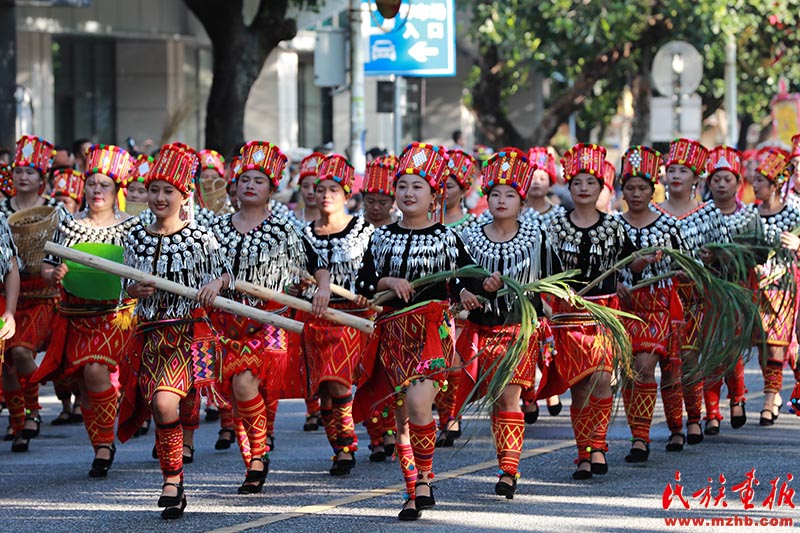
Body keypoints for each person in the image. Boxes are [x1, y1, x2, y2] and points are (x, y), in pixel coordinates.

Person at [355, 142, 497, 520]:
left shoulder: (448, 237)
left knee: (419, 404)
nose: (408, 193)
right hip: (393, 334)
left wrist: (476, 290)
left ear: (434, 194)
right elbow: (364, 283)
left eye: (417, 186)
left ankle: (424, 477)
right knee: (402, 415)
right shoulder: (381, 237)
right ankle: (414, 487)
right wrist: (389, 280)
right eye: (402, 186)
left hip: (432, 331)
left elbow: (466, 279)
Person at [118, 142, 232, 519]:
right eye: (154, 190)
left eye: (169, 191)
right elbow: (124, 286)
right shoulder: (134, 235)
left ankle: (170, 479)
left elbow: (225, 273)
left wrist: (215, 286)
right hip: (150, 335)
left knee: (166, 402)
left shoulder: (201, 237)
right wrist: (133, 290)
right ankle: (176, 478)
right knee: (160, 405)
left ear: (185, 196)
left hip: (187, 333)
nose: (160, 197)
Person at [209, 140, 330, 493]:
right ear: (234, 185)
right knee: (241, 389)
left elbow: (318, 266)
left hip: (271, 320)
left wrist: (321, 289)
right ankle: (257, 456)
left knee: (257, 388)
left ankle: (259, 452)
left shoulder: (285, 228)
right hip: (227, 322)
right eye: (244, 179)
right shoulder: (216, 229)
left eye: (258, 181)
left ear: (272, 189)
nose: (250, 185)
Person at [35, 144, 138, 477]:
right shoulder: (67, 224)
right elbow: (47, 267)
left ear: (116, 190)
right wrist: (54, 274)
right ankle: (100, 446)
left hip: (115, 315)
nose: (97, 190)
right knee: (84, 384)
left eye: (104, 184)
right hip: (75, 315)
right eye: (91, 183)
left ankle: (106, 443)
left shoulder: (132, 227)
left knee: (95, 371)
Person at [458, 147, 550, 498]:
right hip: (479, 329)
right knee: (495, 398)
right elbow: (457, 280)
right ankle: (505, 461)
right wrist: (470, 292)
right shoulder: (469, 236)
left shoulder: (537, 237)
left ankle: (509, 469)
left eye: (509, 194)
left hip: (518, 328)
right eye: (495, 193)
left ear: (521, 201)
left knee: (509, 396)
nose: (501, 200)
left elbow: (552, 281)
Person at [537, 143, 627, 480]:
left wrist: (650, 260)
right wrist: (558, 292)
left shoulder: (615, 227)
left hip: (604, 313)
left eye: (591, 182)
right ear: (569, 187)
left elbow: (630, 263)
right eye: (578, 183)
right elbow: (543, 270)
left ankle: (599, 445)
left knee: (602, 377)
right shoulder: (554, 227)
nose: (584, 188)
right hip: (568, 314)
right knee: (579, 386)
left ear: (602, 187)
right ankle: (583, 453)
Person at [300, 153, 374, 476]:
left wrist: (368, 290)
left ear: (347, 194)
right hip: (315, 319)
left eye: (334, 189)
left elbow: (376, 269)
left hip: (352, 317)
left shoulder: (364, 229)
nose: (326, 195)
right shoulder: (303, 235)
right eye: (321, 189)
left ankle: (346, 446)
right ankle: (339, 448)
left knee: (338, 380)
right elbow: (295, 273)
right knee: (325, 389)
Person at [652, 138, 729, 451]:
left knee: (689, 357)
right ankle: (674, 427)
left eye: (683, 170)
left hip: (696, 295)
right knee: (669, 363)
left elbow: (725, 255)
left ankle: (694, 417)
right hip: (661, 295)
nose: (676, 175)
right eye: (672, 169)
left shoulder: (709, 213)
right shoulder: (653, 213)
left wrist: (711, 259)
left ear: (696, 178)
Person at [615, 145, 684, 463]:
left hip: (658, 305)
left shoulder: (668, 225)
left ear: (652, 189)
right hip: (623, 307)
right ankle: (639, 435)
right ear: (622, 189)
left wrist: (662, 266)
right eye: (630, 187)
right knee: (630, 372)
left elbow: (686, 265)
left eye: (642, 187)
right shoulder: (613, 226)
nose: (636, 193)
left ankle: (662, 431)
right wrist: (621, 278)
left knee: (647, 367)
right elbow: (605, 267)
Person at [1, 135, 59, 453]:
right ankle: (19, 421)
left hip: (41, 294)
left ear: (42, 178)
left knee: (22, 352)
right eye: (19, 171)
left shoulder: (56, 212)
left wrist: (55, 270)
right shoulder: (0, 211)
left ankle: (34, 411)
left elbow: (63, 255)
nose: (23, 177)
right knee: (6, 362)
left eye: (30, 172)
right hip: (8, 293)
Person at [702, 145, 761, 435]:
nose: (722, 184)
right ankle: (711, 412)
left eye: (728, 179)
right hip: (707, 292)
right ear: (708, 183)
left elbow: (758, 252)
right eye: (716, 179)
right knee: (710, 348)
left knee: (733, 350)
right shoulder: (700, 215)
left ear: (739, 183)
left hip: (737, 292)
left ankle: (737, 397)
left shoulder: (750, 216)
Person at [750, 148, 800, 426]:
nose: (754, 185)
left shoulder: (794, 214)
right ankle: (776, 392)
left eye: (760, 181)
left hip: (785, 287)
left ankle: (770, 397)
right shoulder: (749, 213)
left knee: (777, 347)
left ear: (776, 185)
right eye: (754, 179)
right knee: (762, 346)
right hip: (755, 289)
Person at [361, 155, 398, 228]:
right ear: (363, 199)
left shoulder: (402, 224)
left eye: (383, 202)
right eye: (370, 201)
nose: (376, 207)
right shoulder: (350, 224)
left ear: (392, 202)